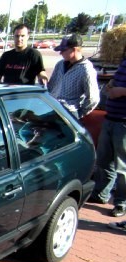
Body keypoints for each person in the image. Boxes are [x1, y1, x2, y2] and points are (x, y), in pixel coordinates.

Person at [90, 43, 126, 217]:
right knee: (104, 161)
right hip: (111, 118)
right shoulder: (124, 63)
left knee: (122, 166)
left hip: (123, 122)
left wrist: (122, 91)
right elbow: (113, 82)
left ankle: (121, 202)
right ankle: (101, 193)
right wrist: (111, 86)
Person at [48, 34, 99, 120]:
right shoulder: (60, 64)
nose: (61, 53)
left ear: (74, 49)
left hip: (69, 112)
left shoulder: (86, 69)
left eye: (64, 50)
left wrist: (79, 114)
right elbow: (51, 85)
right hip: (53, 108)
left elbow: (93, 98)